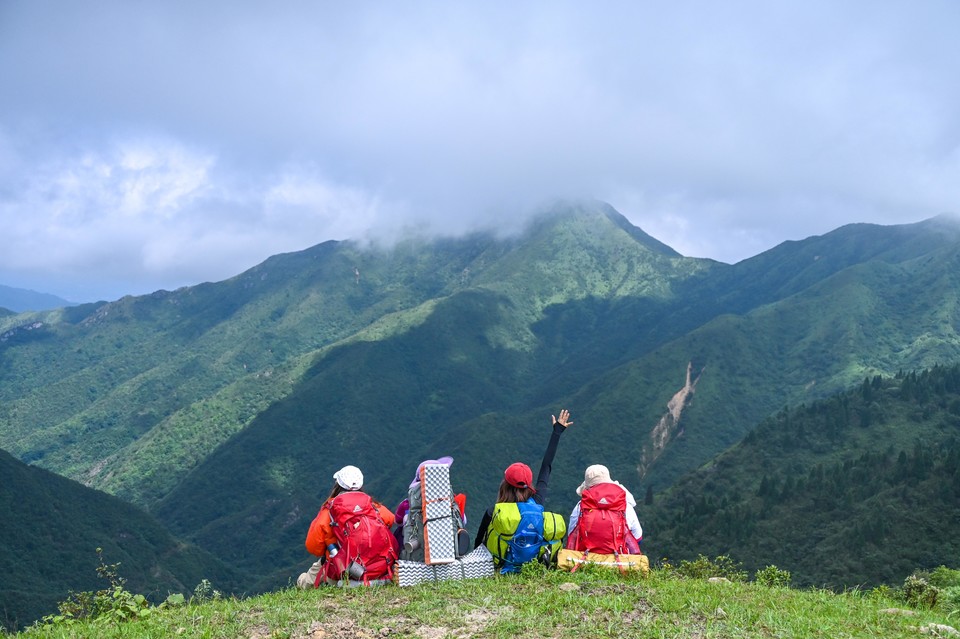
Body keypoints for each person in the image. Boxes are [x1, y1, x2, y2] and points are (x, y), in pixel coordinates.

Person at [475, 409, 572, 572]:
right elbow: (546, 467)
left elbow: (478, 543)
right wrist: (557, 433)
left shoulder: (494, 512)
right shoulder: (538, 501)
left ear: (504, 484)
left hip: (501, 565)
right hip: (534, 565)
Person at [296, 465, 398, 588]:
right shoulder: (373, 507)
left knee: (305, 580)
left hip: (342, 570)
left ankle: (302, 583)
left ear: (337, 484)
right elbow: (391, 519)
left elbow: (313, 547)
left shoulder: (329, 511)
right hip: (379, 568)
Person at [566, 464, 643, 554]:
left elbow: (571, 535)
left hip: (585, 560)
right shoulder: (625, 505)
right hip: (619, 561)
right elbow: (638, 538)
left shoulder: (580, 506)